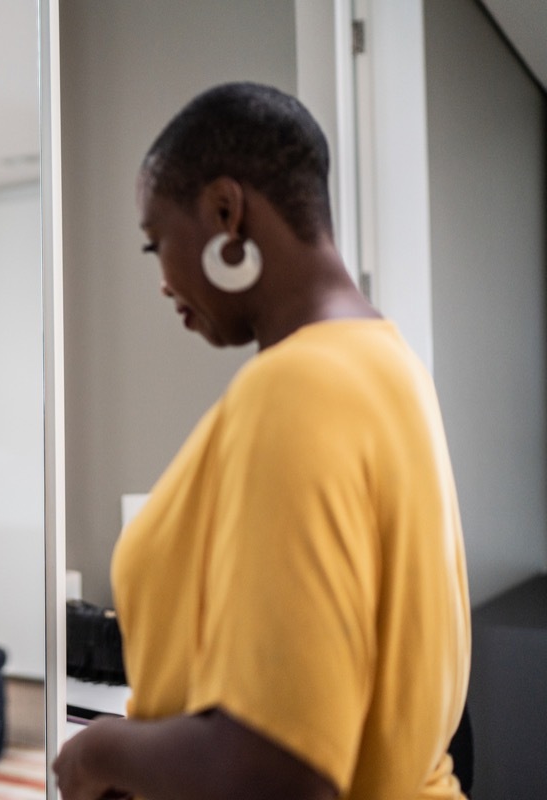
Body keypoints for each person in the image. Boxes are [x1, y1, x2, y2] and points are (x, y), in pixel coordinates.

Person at [53, 83, 470, 799]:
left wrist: (99, 754)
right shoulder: (390, 362)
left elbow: (280, 773)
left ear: (224, 212)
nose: (160, 279)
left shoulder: (297, 386)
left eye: (158, 242)